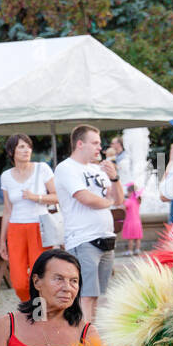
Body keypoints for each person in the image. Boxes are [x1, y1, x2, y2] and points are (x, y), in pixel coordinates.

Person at [53, 124, 123, 323]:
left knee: (97, 296)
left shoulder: (97, 169)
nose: (99, 147)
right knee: (85, 295)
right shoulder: (66, 168)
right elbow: (85, 198)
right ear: (80, 144)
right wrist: (108, 203)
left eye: (99, 143)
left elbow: (119, 200)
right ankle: (83, 340)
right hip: (83, 239)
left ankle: (89, 337)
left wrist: (115, 178)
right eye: (95, 143)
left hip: (105, 238)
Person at [0, 133, 57, 302]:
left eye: (28, 146)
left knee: (40, 276)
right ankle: (31, 306)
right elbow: (7, 211)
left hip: (39, 226)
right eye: (21, 147)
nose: (26, 150)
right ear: (11, 151)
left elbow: (57, 196)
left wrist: (36, 197)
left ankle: (40, 315)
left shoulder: (42, 168)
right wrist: (3, 241)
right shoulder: (6, 176)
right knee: (19, 282)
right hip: (16, 229)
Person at [120, 184, 143, 255]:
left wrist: (122, 201)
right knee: (138, 238)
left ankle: (130, 251)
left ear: (131, 192)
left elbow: (122, 208)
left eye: (128, 192)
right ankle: (137, 250)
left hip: (130, 222)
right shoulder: (137, 201)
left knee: (130, 238)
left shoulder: (129, 201)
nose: (127, 194)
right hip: (137, 222)